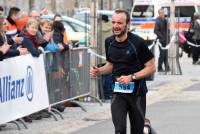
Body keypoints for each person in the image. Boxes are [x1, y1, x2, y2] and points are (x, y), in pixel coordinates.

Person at [90, 9, 156, 134]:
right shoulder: (109, 42)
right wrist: (99, 71)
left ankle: (147, 127)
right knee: (119, 130)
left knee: (137, 131)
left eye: (120, 23)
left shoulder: (138, 43)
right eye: (113, 22)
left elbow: (151, 67)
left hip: (137, 93)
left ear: (128, 24)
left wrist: (131, 77)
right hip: (118, 92)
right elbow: (111, 65)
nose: (115, 26)